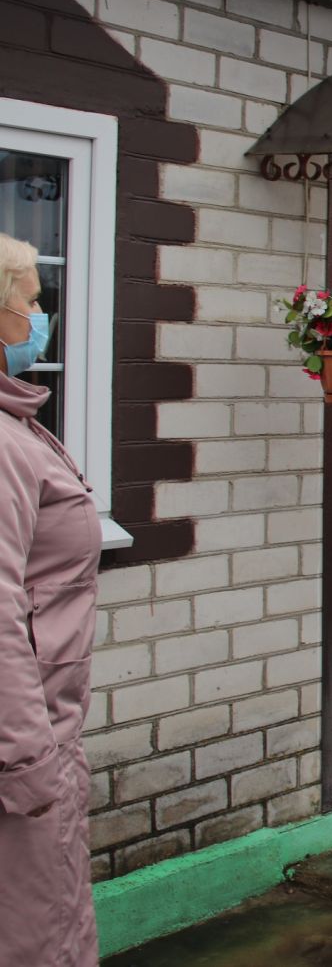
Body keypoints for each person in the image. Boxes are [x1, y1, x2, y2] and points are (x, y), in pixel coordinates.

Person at [0, 232, 100, 967]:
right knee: (37, 932)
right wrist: (28, 759)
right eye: (31, 302)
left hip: (39, 735)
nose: (42, 318)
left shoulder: (16, 424)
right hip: (22, 751)